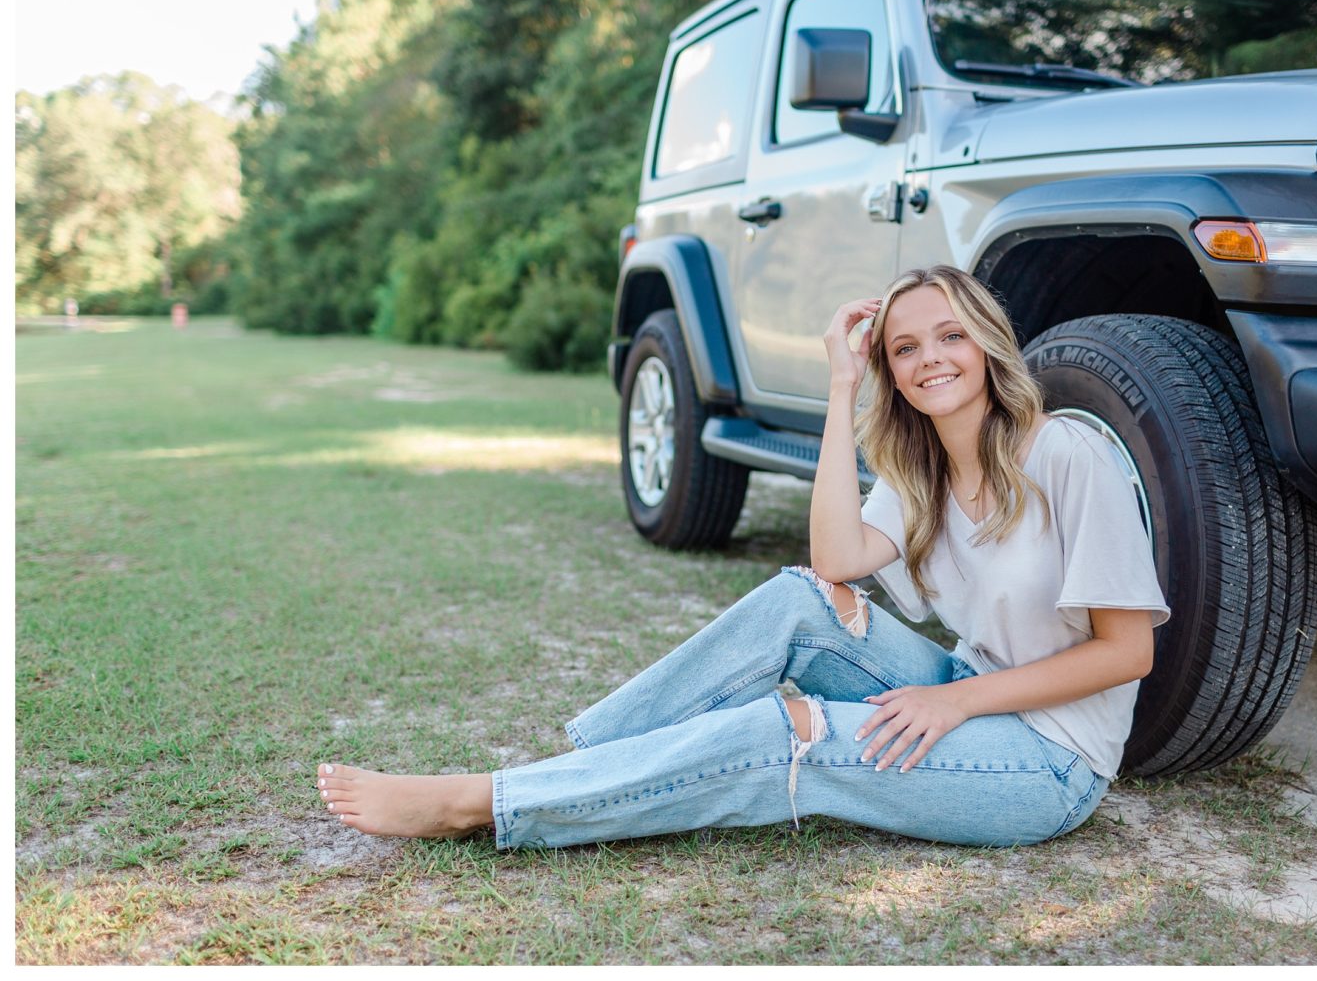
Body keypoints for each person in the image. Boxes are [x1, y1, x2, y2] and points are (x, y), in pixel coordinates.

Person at [314, 265, 1169, 848]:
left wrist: (957, 705)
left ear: (985, 343)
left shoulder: (1064, 453)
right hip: (966, 696)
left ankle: (479, 805)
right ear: (892, 372)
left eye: (948, 337)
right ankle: (577, 774)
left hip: (1048, 761)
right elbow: (832, 560)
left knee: (787, 733)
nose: (928, 360)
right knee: (801, 600)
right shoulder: (924, 473)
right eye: (904, 349)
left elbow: (1126, 651)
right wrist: (842, 383)